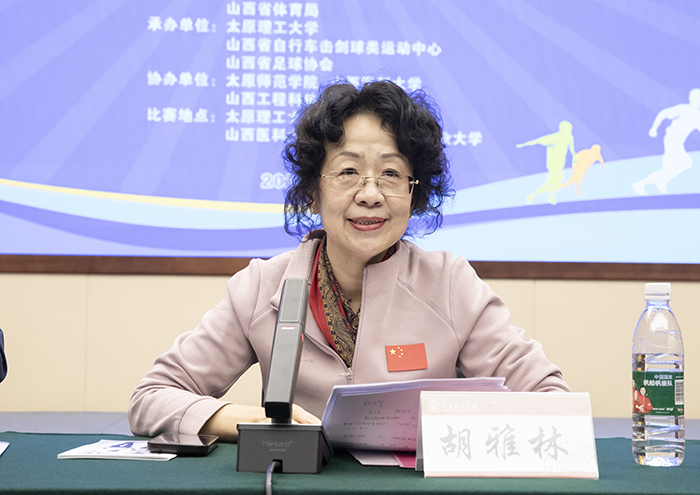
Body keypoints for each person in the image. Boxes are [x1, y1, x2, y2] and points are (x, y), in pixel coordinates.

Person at [128, 80, 570, 442]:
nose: (371, 194)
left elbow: (552, 400)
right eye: (348, 172)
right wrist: (248, 421)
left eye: (391, 173)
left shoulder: (451, 285)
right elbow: (151, 398)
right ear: (312, 192)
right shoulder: (263, 286)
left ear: (414, 194)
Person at [633, 88, 700, 195]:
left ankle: (662, 181)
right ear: (691, 98)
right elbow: (663, 114)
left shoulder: (697, 115)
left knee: (681, 165)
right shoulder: (683, 109)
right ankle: (641, 184)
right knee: (680, 165)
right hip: (672, 140)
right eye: (696, 97)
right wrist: (654, 128)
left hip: (678, 142)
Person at [517, 120, 576, 205]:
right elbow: (538, 141)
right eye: (568, 128)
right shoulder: (554, 137)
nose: (569, 130)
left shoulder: (570, 137)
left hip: (561, 162)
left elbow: (571, 149)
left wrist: (575, 155)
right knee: (556, 179)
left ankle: (533, 196)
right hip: (553, 163)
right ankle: (549, 196)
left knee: (552, 182)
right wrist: (523, 145)